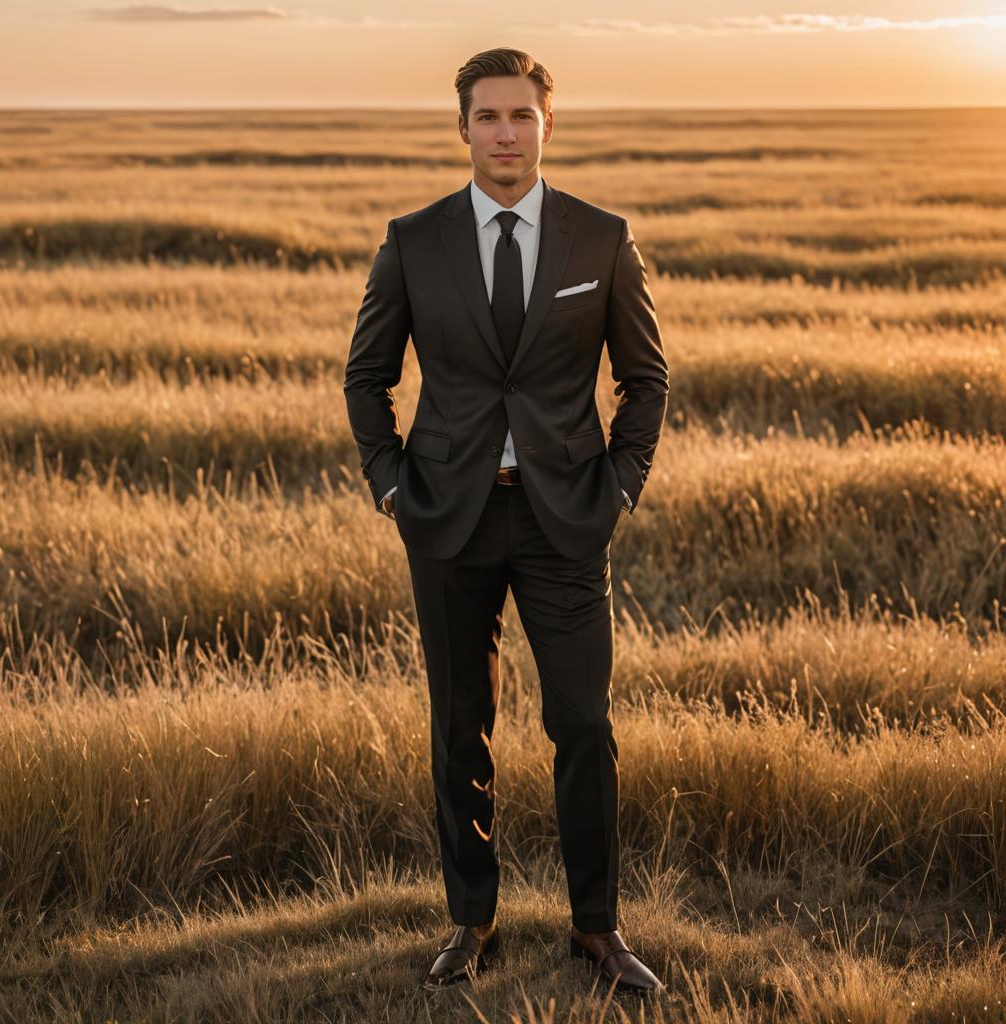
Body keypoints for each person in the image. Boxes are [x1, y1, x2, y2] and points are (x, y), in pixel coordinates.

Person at [343, 46, 669, 997]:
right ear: (463, 129)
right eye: (487, 117)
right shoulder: (415, 239)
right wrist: (392, 486)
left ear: (547, 125)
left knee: (583, 725)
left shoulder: (600, 238)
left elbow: (645, 380)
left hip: (568, 521)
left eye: (521, 116)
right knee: (460, 728)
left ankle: (596, 930)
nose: (505, 133)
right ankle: (471, 919)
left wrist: (623, 486)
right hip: (449, 520)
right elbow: (367, 378)